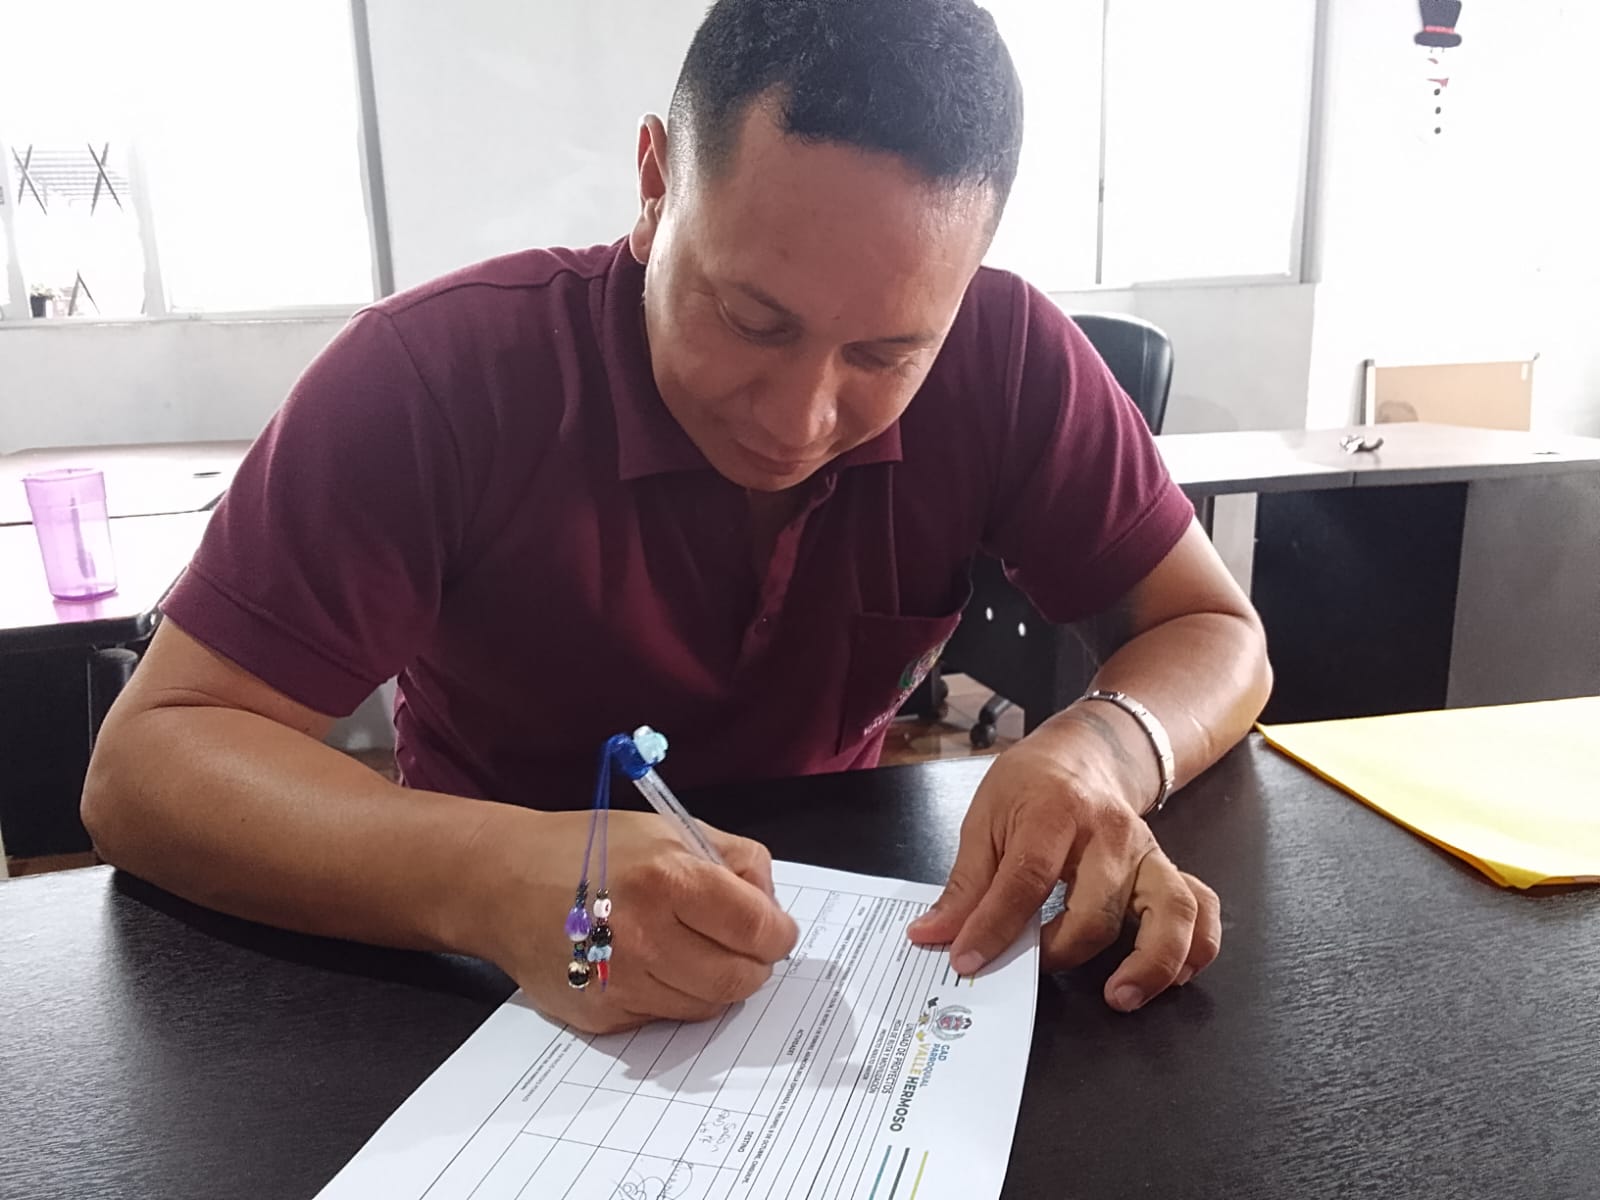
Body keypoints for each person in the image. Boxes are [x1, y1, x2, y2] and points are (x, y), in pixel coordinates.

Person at [82, 0, 1271, 1034]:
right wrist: (486, 879)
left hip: (836, 949)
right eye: (752, 320)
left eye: (885, 354)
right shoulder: (437, 377)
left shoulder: (1006, 356)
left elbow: (1215, 632)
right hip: (483, 961)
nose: (801, 419)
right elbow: (145, 766)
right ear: (654, 185)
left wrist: (1100, 748)